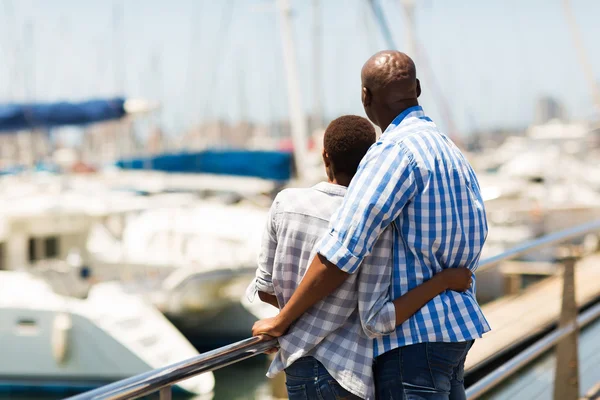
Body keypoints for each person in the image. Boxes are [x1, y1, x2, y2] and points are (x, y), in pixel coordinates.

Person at [252, 51, 491, 399]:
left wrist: (283, 319)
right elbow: (477, 233)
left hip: (414, 341)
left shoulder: (394, 151)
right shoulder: (449, 151)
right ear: (418, 89)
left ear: (366, 96)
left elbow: (341, 252)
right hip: (455, 330)